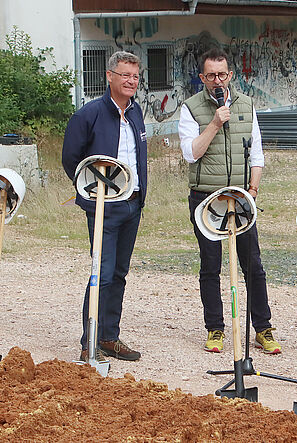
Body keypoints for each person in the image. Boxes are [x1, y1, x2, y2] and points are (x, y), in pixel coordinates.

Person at [178, 47, 281, 354]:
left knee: (253, 265)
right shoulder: (190, 108)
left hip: (240, 197)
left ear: (231, 75)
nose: (217, 81)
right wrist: (214, 123)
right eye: (211, 75)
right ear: (202, 78)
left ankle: (263, 328)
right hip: (206, 196)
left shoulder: (246, 105)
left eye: (222, 74)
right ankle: (215, 329)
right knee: (210, 266)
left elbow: (257, 152)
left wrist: (253, 190)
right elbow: (191, 153)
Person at [62, 51, 147, 362]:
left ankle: (109, 337)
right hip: (104, 207)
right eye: (125, 75)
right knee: (103, 273)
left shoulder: (136, 112)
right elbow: (71, 159)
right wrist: (91, 191)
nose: (131, 81)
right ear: (109, 76)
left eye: (135, 76)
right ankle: (90, 341)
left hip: (133, 204)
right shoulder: (89, 115)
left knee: (120, 273)